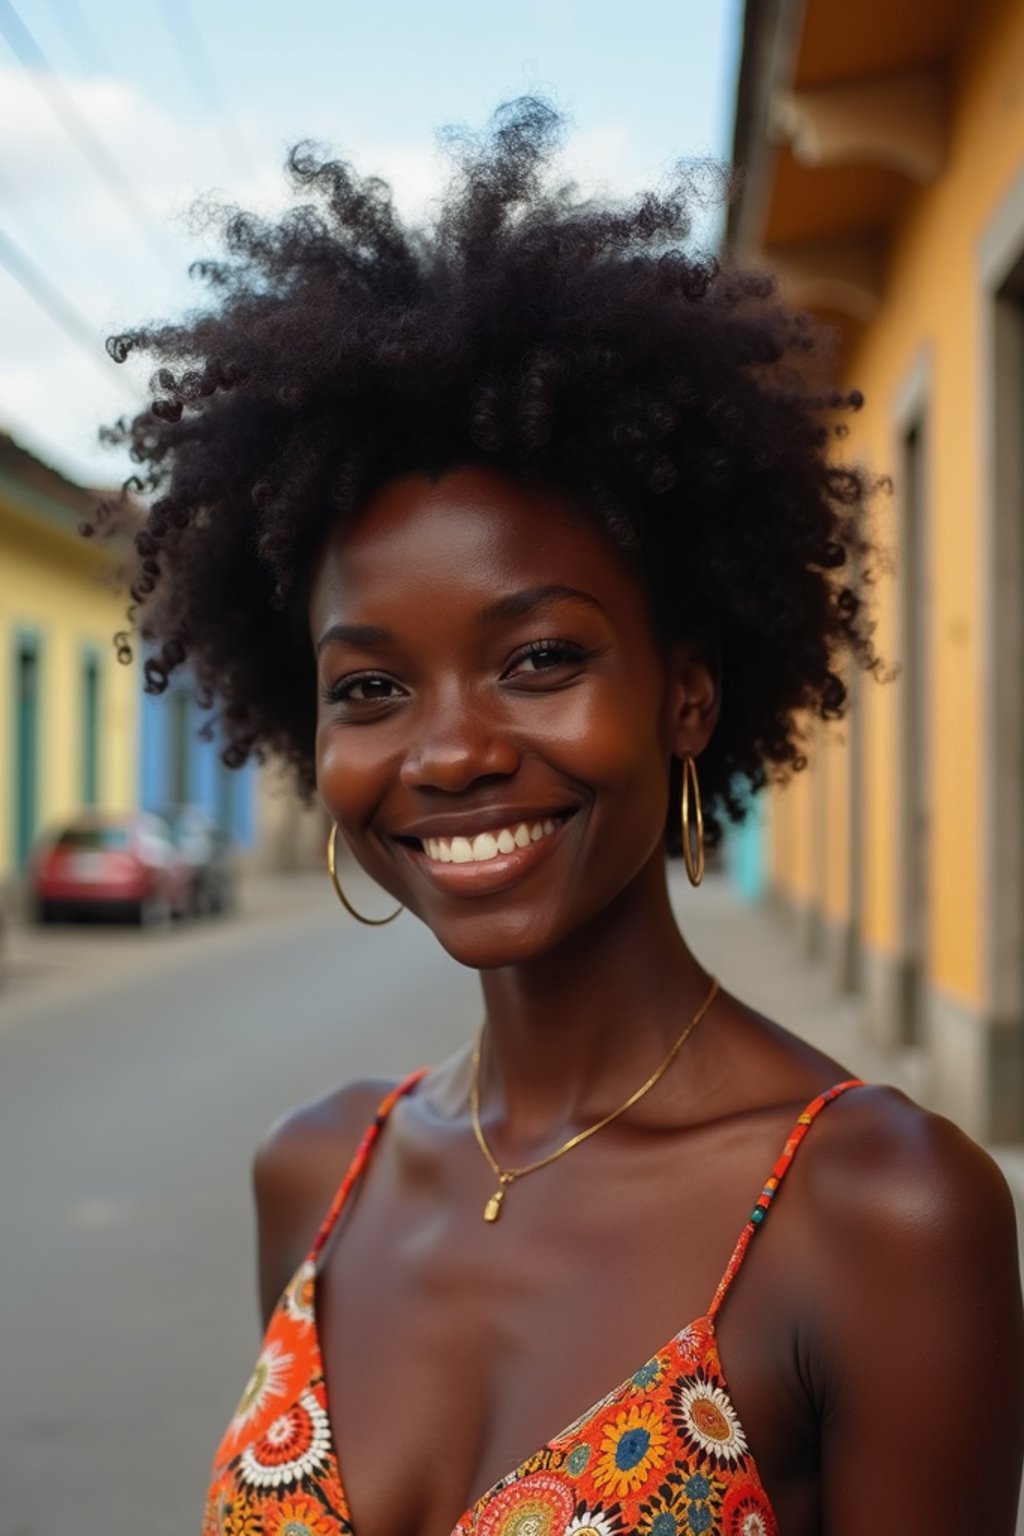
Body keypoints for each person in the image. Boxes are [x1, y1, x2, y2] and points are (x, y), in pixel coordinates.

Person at [98, 99, 1023, 1535]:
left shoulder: (882, 1211)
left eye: (540, 659)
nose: (451, 752)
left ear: (690, 697)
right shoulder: (315, 1172)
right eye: (374, 686)